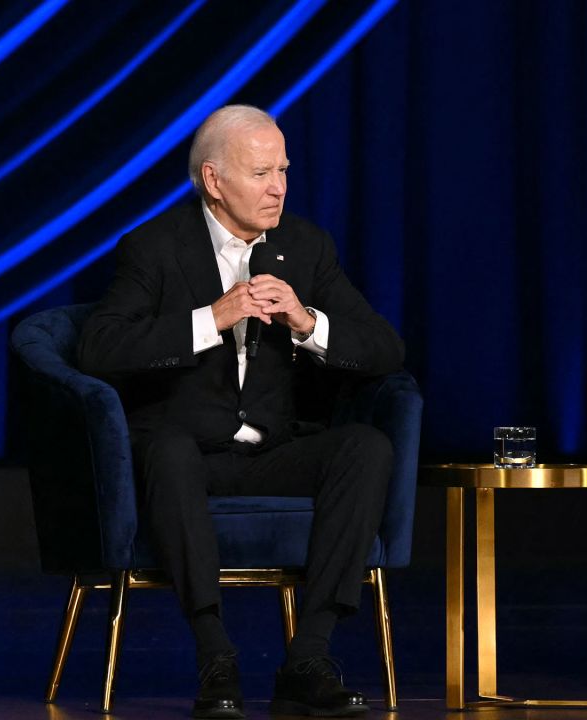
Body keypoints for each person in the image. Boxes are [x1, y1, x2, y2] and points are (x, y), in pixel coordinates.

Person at [78, 105, 404, 719]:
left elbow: (386, 349)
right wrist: (211, 320)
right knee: (169, 451)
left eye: (283, 170)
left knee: (366, 447)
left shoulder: (305, 246)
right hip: (186, 456)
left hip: (271, 452)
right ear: (213, 179)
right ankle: (215, 657)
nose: (278, 187)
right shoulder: (155, 247)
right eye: (260, 173)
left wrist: (308, 323)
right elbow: (99, 347)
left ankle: (307, 658)